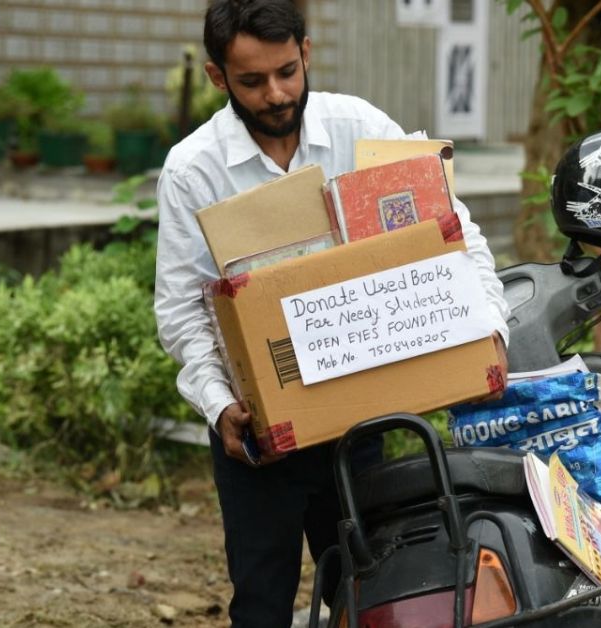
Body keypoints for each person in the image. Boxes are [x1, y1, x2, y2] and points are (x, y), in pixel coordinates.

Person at [152, 1, 510, 625]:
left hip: (361, 417)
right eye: (252, 81)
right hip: (262, 434)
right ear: (217, 78)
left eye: (287, 71)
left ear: (307, 52)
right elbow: (182, 309)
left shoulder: (359, 128)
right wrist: (217, 403)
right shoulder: (193, 169)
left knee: (371, 589)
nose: (276, 94)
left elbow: (455, 233)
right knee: (261, 601)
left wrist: (488, 333)